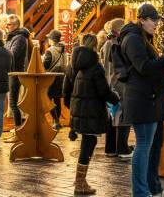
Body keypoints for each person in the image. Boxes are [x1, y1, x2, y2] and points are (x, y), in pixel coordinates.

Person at [118, 3, 164, 197]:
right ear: (142, 20)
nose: (156, 24)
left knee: (153, 146)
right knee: (144, 146)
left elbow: (149, 68)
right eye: (153, 20)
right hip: (143, 100)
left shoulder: (142, 38)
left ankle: (153, 189)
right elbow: (144, 67)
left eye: (157, 20)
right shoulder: (133, 39)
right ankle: (141, 192)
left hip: (151, 100)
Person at [64, 33, 117, 196]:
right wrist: (116, 99)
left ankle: (80, 181)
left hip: (79, 110)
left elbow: (66, 90)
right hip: (92, 111)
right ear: (95, 46)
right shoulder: (95, 66)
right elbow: (103, 91)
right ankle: (80, 183)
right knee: (88, 144)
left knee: (86, 144)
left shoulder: (73, 65)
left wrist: (72, 107)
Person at [99, 18, 132, 158]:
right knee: (122, 115)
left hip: (109, 83)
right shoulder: (117, 44)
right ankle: (122, 148)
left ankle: (111, 148)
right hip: (119, 84)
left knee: (113, 117)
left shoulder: (107, 43)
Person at [5, 16, 32, 127]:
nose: (6, 26)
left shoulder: (19, 38)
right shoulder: (13, 36)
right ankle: (19, 128)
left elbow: (12, 55)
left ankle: (19, 129)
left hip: (15, 73)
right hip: (11, 72)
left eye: (9, 24)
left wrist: (1, 53)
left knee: (13, 103)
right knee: (13, 103)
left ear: (16, 25)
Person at [42, 29, 68, 130]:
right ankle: (57, 122)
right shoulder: (63, 49)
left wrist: (42, 59)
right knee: (57, 99)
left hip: (51, 78)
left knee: (47, 98)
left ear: (52, 39)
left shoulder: (50, 50)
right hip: (61, 77)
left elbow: (45, 65)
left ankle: (56, 120)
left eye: (49, 38)